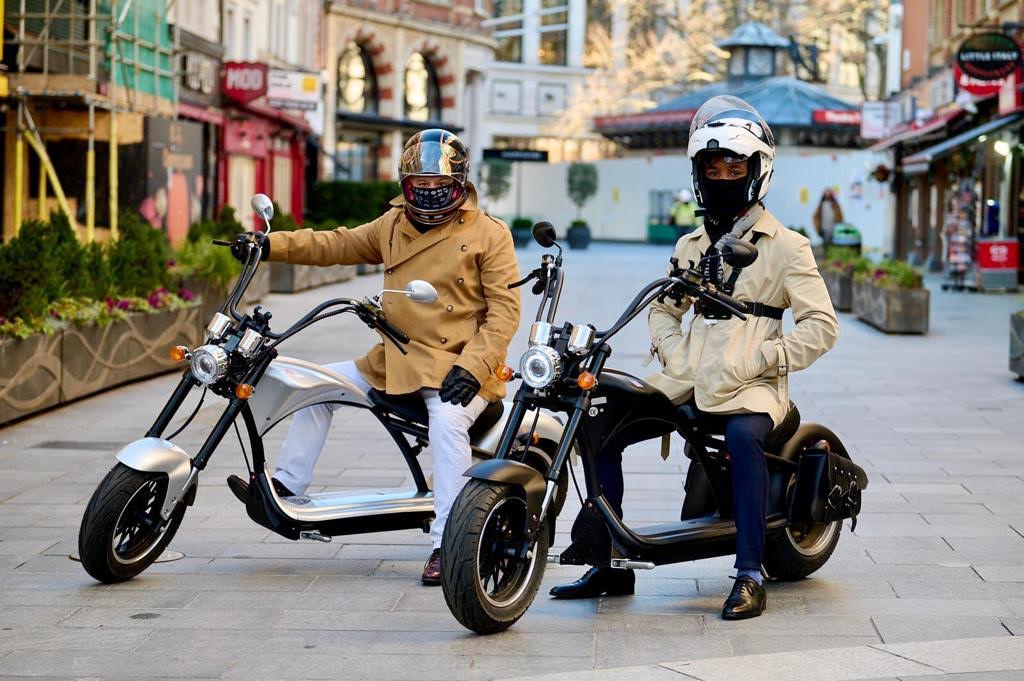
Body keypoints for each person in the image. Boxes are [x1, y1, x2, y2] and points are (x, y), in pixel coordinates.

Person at [549, 96, 839, 620]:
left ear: (757, 172)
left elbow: (822, 327)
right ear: (699, 172)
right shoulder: (690, 243)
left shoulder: (787, 246)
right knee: (600, 422)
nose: (723, 176)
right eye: (713, 167)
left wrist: (762, 358)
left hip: (750, 383)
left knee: (743, 437)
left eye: (735, 167)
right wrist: (673, 348)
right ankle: (608, 564)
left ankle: (749, 573)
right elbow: (664, 308)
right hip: (683, 376)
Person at [225, 129, 522, 586]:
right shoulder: (393, 224)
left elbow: (504, 313)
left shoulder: (489, 233)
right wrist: (270, 245)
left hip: (459, 365)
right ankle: (285, 487)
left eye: (436, 187)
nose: (426, 195)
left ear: (459, 185)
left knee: (447, 426)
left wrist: (473, 367)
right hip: (393, 358)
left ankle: (452, 541)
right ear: (405, 186)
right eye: (417, 187)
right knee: (315, 386)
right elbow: (336, 244)